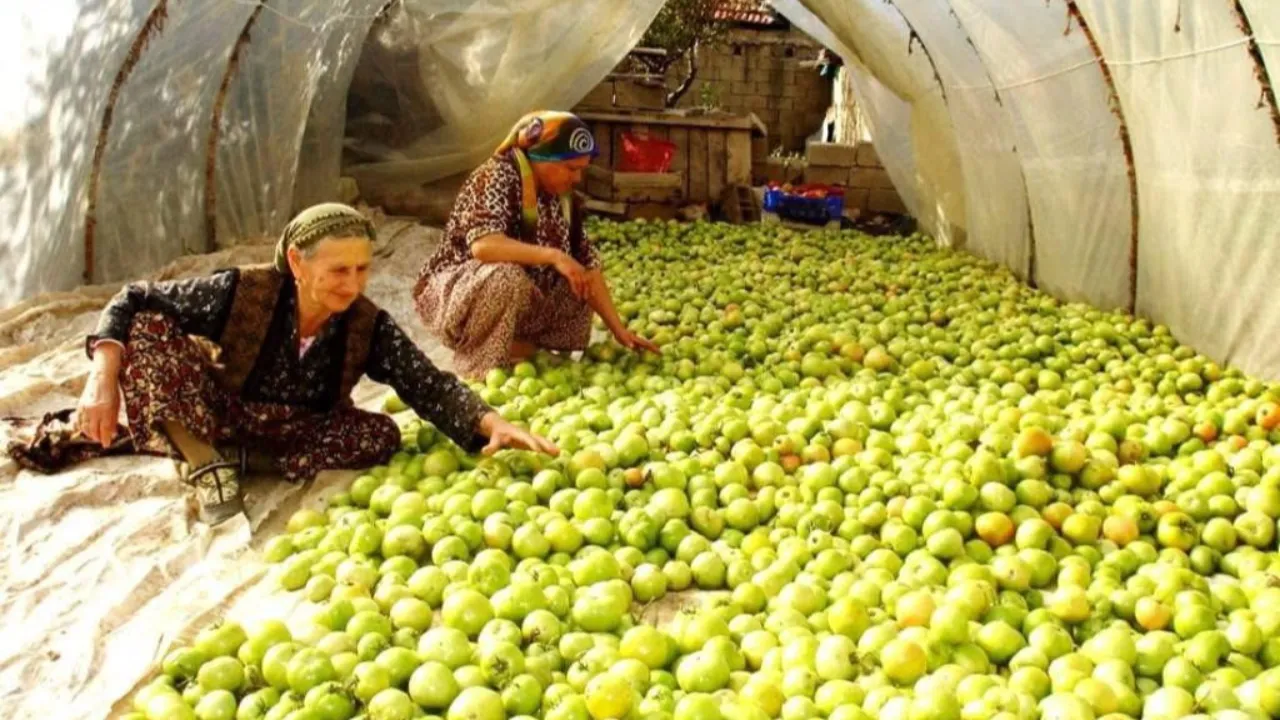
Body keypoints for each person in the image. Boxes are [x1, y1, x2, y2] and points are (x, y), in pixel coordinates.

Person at [8, 203, 556, 525]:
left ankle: (238, 459)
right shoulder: (242, 291)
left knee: (382, 435)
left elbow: (425, 382)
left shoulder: (365, 323)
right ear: (297, 261)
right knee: (149, 330)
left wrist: (490, 422)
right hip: (215, 406)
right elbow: (132, 299)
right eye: (339, 270)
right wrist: (101, 379)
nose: (353, 284)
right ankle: (204, 462)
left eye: (363, 269)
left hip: (291, 429)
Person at [413, 110, 659, 380]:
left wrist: (618, 330)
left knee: (578, 278)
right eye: (571, 169)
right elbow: (484, 246)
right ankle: (479, 363)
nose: (577, 178)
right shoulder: (496, 176)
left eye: (581, 170)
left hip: (522, 293)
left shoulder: (563, 198)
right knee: (506, 278)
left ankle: (522, 346)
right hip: (459, 294)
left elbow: (589, 264)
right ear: (541, 158)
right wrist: (552, 256)